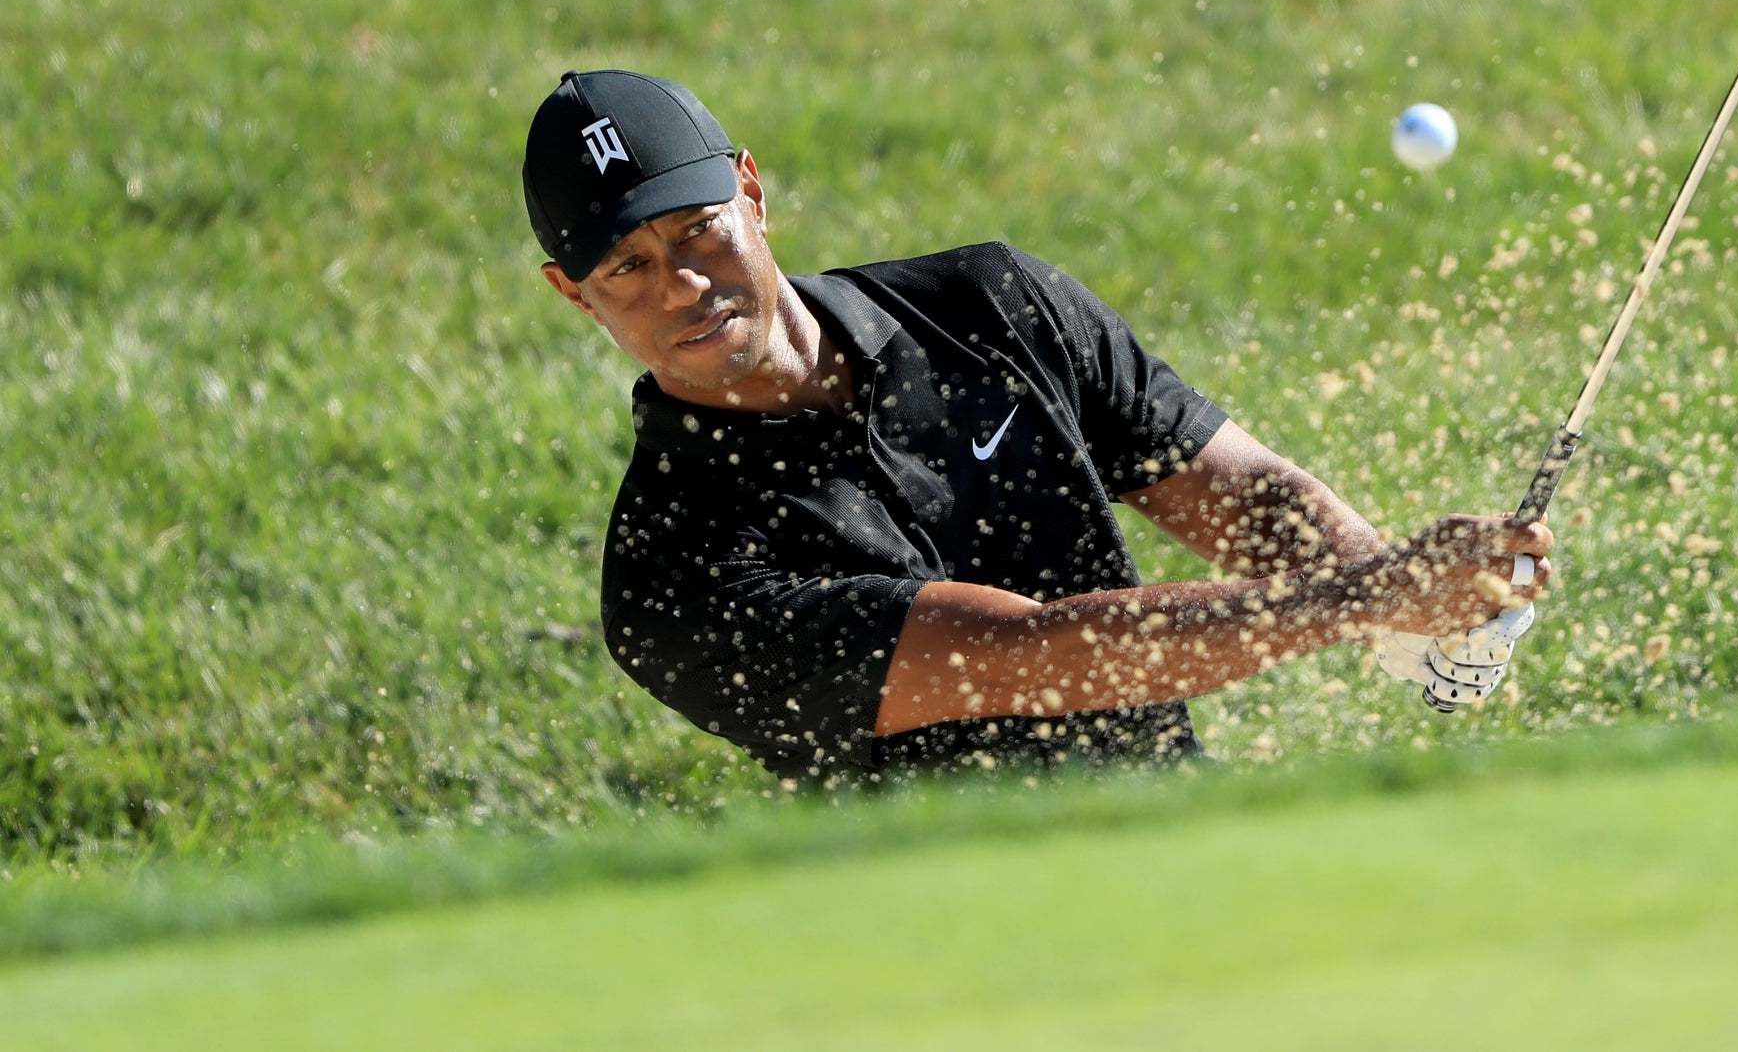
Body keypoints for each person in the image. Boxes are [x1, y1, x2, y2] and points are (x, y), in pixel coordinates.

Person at [524, 69, 1552, 789]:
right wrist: (1363, 595)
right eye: (628, 266)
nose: (684, 285)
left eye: (699, 229)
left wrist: (1404, 603)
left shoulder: (990, 303)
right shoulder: (670, 576)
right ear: (573, 292)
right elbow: (1036, 656)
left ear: (750, 191)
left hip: (1179, 824)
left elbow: (1241, 491)